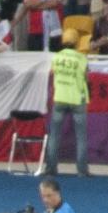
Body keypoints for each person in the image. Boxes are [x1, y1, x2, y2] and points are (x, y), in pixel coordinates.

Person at [44, 29, 90, 177]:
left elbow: (52, 73)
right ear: (77, 42)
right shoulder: (81, 58)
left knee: (54, 135)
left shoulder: (56, 57)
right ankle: (82, 170)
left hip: (60, 97)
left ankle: (51, 168)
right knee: (81, 137)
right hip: (77, 98)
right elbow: (86, 77)